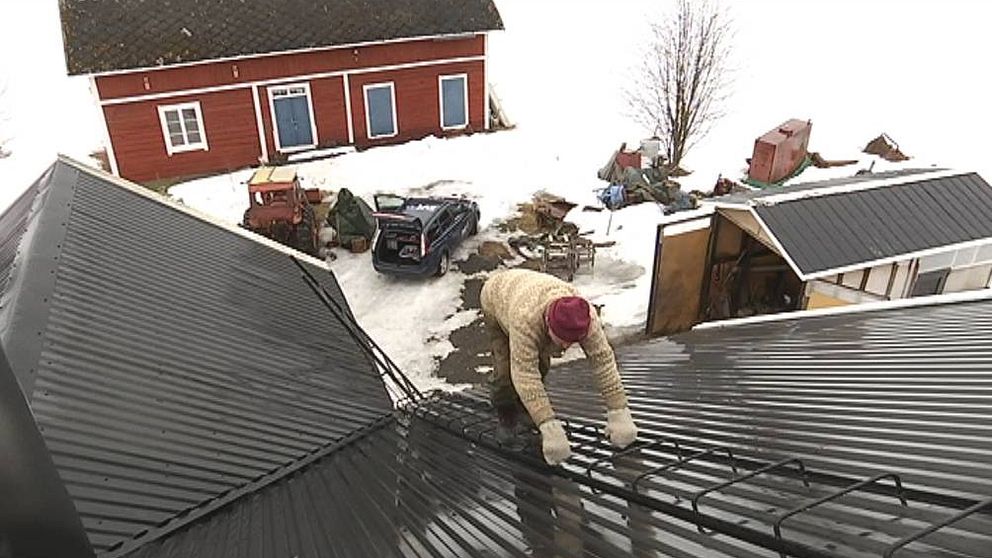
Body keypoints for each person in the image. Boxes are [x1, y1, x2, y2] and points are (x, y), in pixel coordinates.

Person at [479, 268, 638, 465]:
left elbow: (603, 361)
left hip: (528, 290)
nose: (565, 347)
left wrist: (619, 411)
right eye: (561, 341)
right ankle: (506, 417)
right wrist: (549, 426)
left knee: (542, 365)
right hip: (496, 298)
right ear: (548, 323)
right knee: (506, 372)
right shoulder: (525, 318)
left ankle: (526, 409)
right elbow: (525, 374)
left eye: (571, 342)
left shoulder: (585, 316)